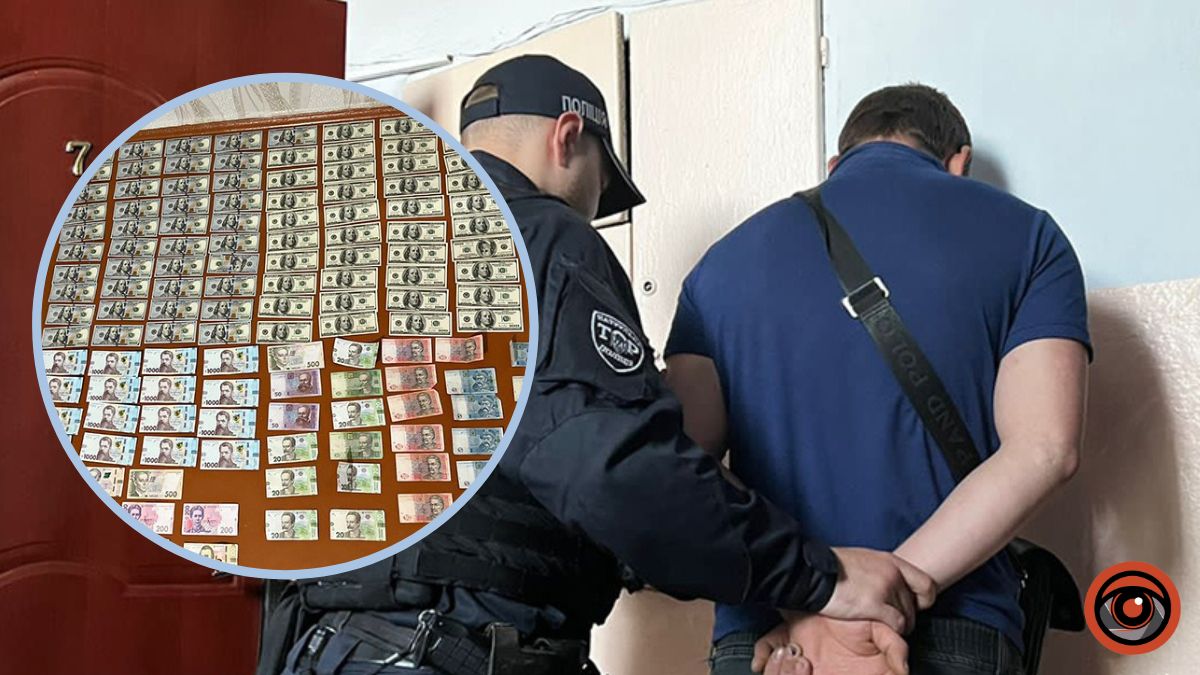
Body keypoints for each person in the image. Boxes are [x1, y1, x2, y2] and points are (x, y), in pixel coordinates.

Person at [267, 56, 933, 675]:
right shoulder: (545, 235)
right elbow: (611, 472)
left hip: (329, 646)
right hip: (453, 647)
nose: (593, 207)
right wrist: (820, 575)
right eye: (600, 183)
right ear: (568, 136)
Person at [664, 84, 1090, 675]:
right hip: (947, 629)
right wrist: (870, 609)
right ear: (959, 162)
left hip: (769, 640)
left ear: (835, 164)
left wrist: (813, 597)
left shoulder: (717, 267)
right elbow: (1044, 450)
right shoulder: (1031, 237)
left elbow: (677, 465)